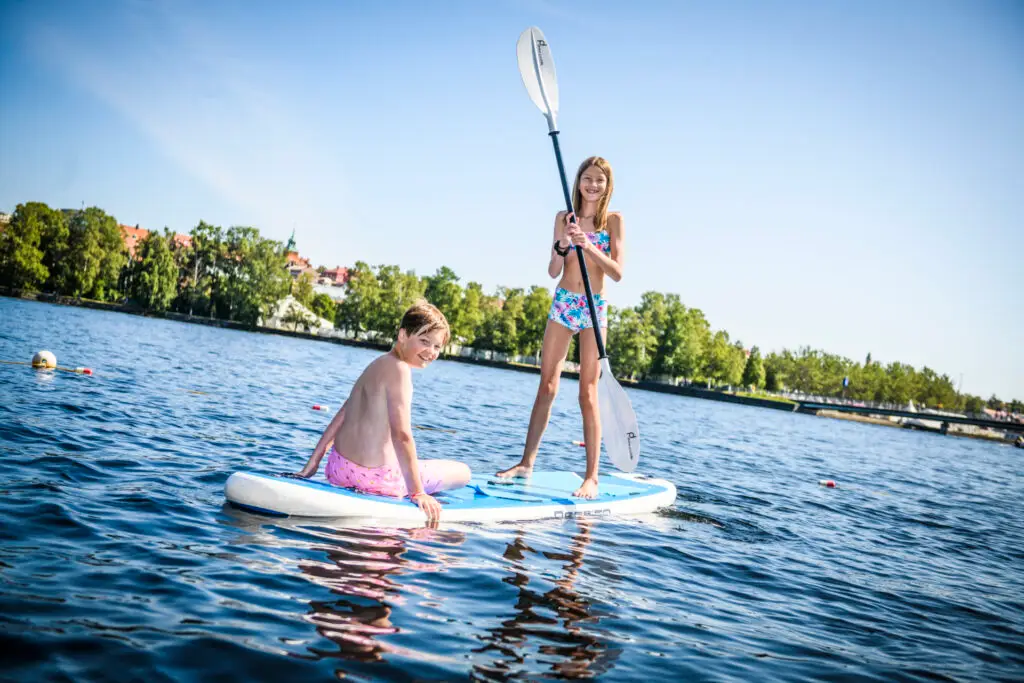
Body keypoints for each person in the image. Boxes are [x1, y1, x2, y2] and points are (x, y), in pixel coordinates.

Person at [497, 156, 624, 499]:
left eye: (599, 180)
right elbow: (553, 270)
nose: (592, 185)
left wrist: (589, 247)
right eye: (587, 178)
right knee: (547, 386)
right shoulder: (563, 218)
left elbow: (617, 272)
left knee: (587, 392)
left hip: (594, 309)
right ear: (578, 181)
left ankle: (592, 477)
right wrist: (564, 245)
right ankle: (526, 463)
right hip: (565, 303)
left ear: (607, 185)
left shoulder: (613, 221)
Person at [288, 301, 471, 520]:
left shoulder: (375, 365)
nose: (431, 352)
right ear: (403, 335)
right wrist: (418, 492)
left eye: (437, 347)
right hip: (375, 479)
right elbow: (401, 435)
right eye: (424, 341)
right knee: (463, 472)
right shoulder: (400, 370)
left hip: (338, 469)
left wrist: (312, 464)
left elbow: (341, 416)